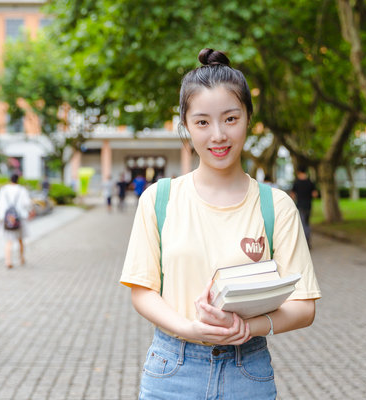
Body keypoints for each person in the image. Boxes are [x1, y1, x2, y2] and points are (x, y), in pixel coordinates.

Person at [120, 48, 321, 399]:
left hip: (248, 371)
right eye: (202, 122)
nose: (218, 135)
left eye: (230, 118)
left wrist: (247, 327)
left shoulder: (277, 206)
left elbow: (304, 307)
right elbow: (143, 291)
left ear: (248, 119)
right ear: (186, 125)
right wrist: (190, 328)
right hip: (172, 370)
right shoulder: (158, 199)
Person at [0, 173, 33, 269]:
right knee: (20, 240)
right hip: (19, 219)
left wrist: (0, 217)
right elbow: (27, 203)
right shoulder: (22, 190)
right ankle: (21, 258)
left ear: (10, 179)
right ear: (18, 180)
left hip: (7, 219)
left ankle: (8, 261)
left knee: (9, 241)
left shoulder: (4, 189)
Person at [290, 165, 318, 248]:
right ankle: (308, 241)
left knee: (302, 224)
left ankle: (305, 243)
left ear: (299, 173)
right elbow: (315, 194)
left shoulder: (296, 183)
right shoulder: (310, 182)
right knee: (307, 223)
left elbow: (292, 195)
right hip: (308, 205)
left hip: (300, 205)